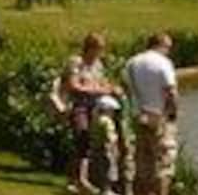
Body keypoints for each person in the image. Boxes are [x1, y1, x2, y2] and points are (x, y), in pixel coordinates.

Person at [59, 33, 118, 195]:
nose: (100, 53)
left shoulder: (98, 65)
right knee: (81, 138)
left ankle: (77, 179)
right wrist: (97, 89)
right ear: (89, 48)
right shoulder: (76, 63)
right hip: (78, 106)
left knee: (89, 141)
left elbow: (101, 82)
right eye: (98, 49)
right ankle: (80, 180)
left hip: (95, 106)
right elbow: (73, 85)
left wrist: (110, 88)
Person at [123, 33, 180, 195]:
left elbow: (127, 90)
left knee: (142, 164)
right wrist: (173, 115)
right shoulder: (163, 62)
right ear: (161, 45)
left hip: (139, 117)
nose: (169, 51)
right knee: (164, 164)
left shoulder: (132, 62)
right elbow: (171, 92)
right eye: (168, 47)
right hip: (159, 118)